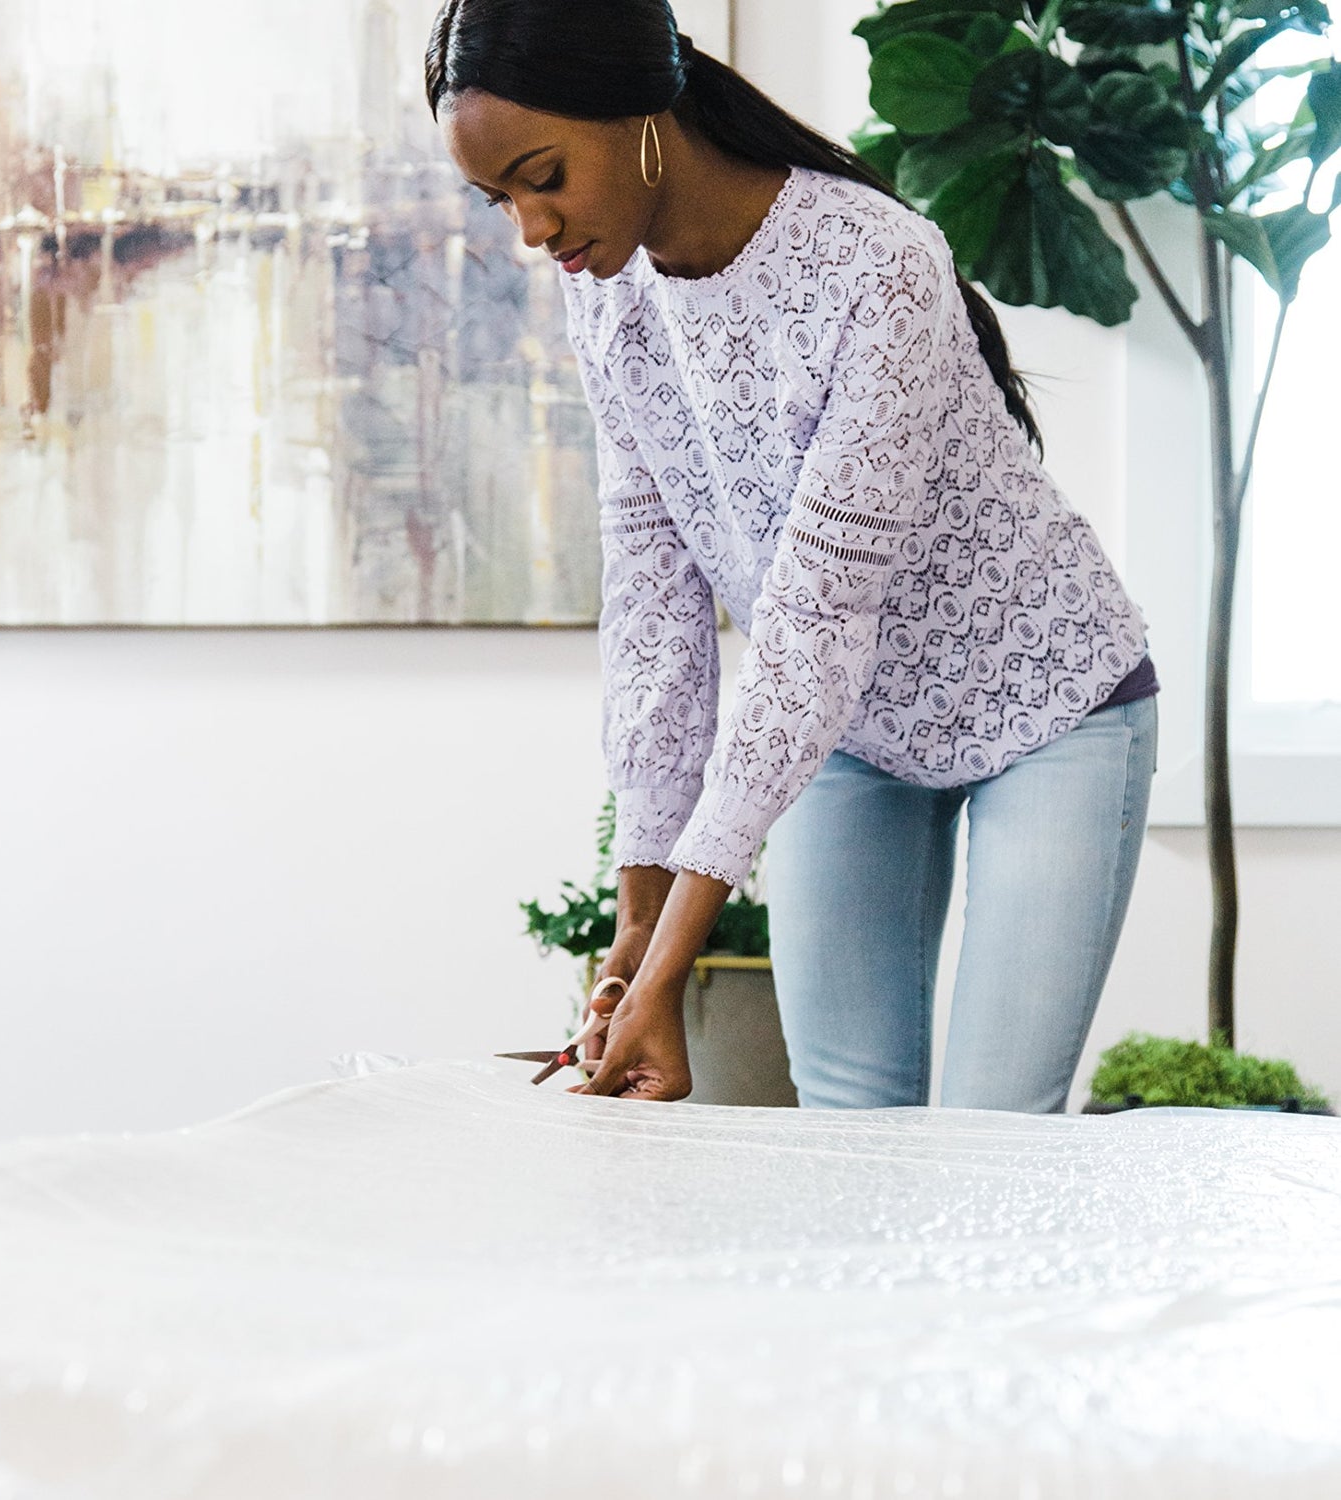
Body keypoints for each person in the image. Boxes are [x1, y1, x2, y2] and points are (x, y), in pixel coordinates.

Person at [426, 0, 1158, 1111]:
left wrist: (671, 973)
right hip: (847, 731)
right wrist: (634, 932)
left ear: (640, 113)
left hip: (1050, 703)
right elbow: (653, 599)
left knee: (992, 1140)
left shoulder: (878, 265)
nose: (532, 228)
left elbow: (816, 620)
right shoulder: (606, 294)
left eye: (544, 177)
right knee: (846, 1135)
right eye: (501, 199)